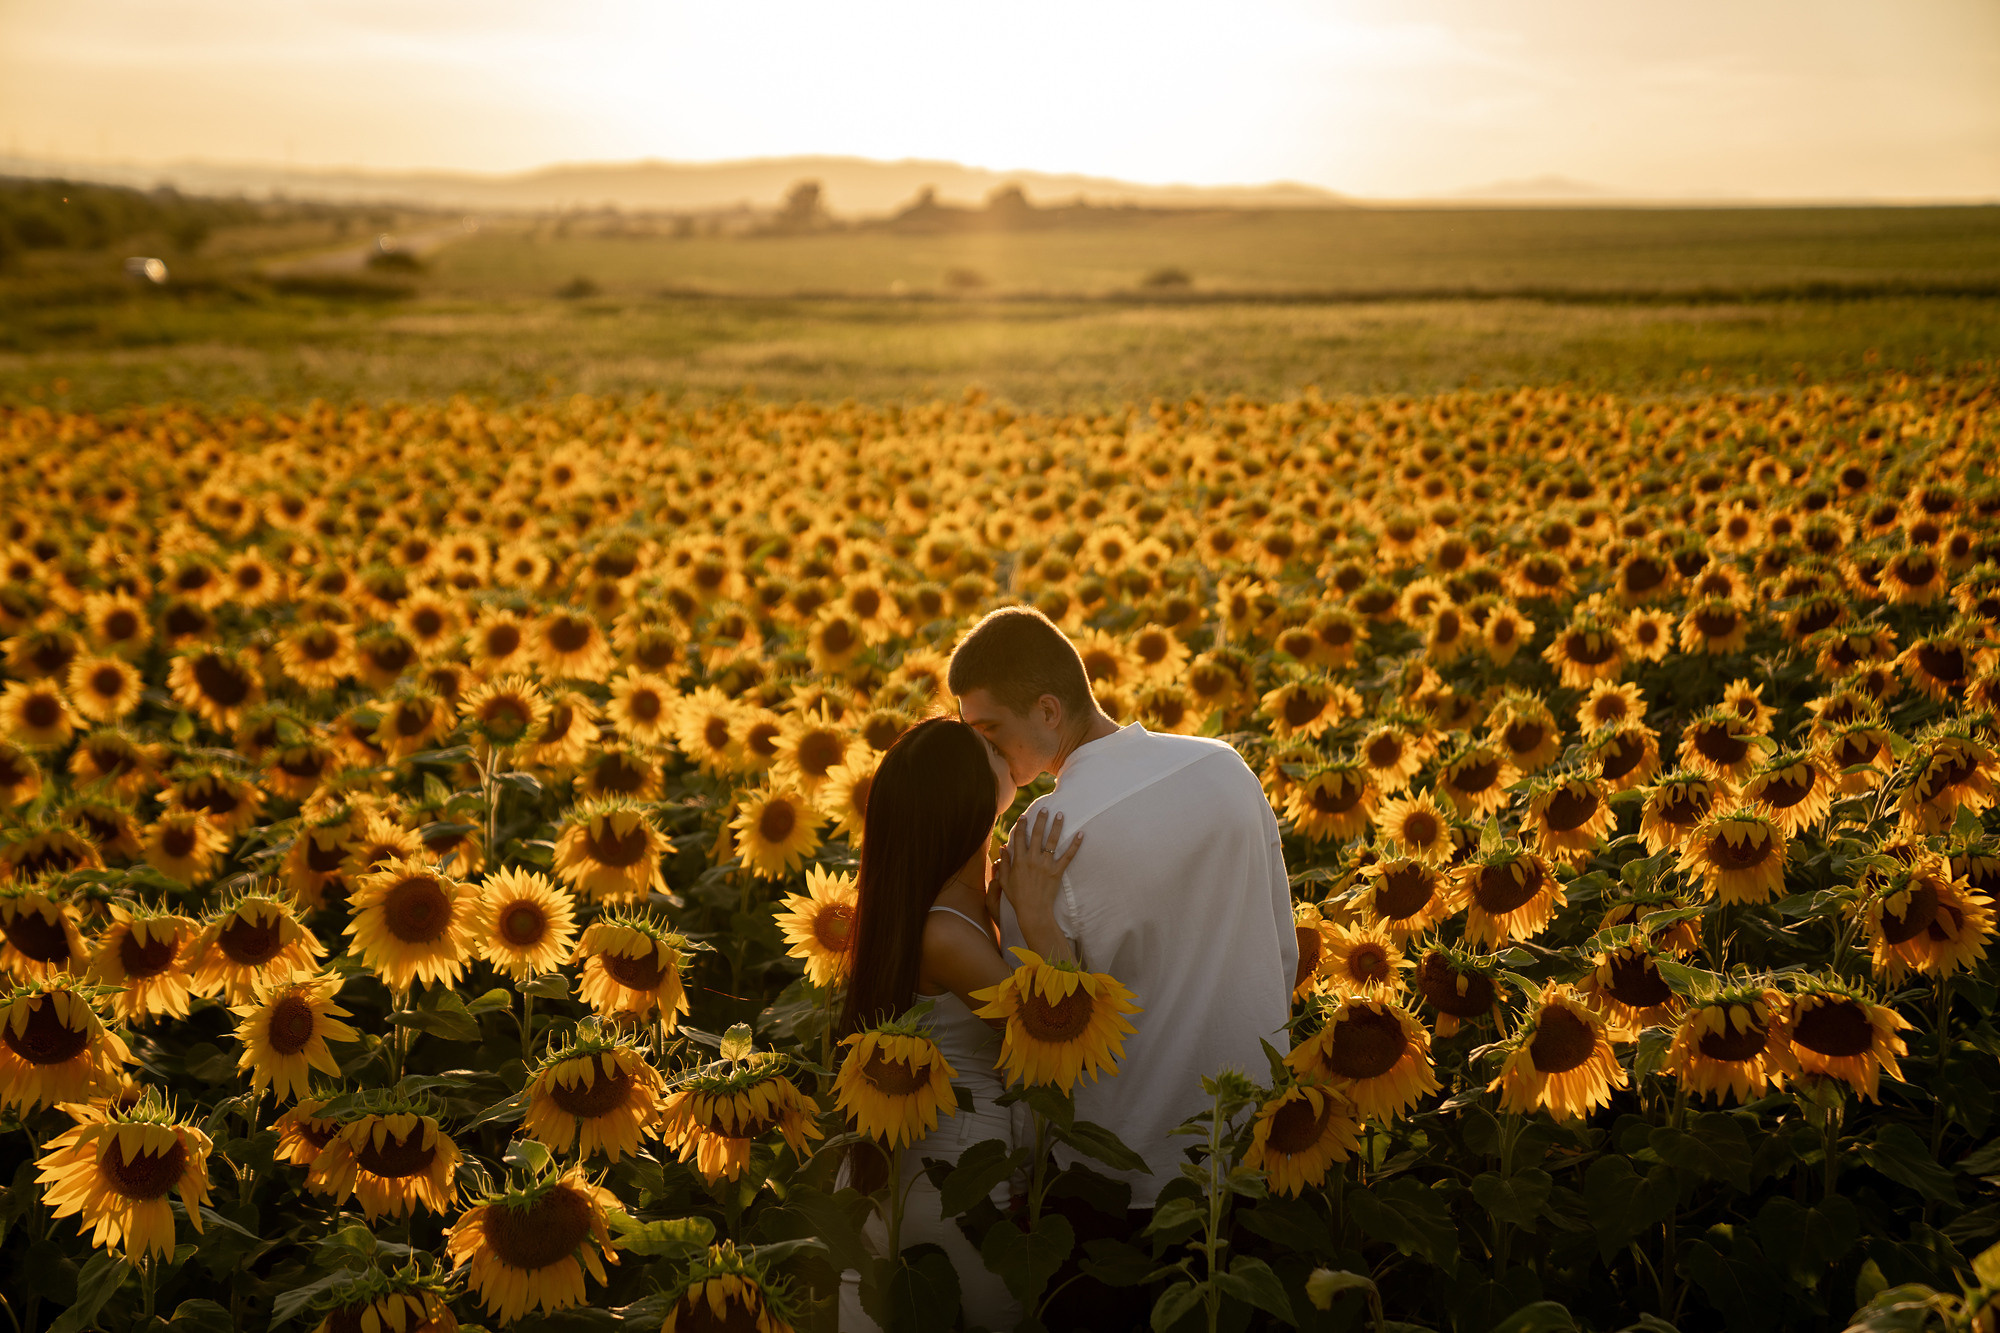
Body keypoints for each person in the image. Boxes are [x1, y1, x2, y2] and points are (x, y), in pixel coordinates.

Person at [950, 604, 1298, 1326]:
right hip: (1259, 1153)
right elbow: (1284, 947)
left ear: (1048, 710)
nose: (981, 753)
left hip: (1123, 1184)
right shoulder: (1224, 766)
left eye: (989, 732)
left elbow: (1046, 1054)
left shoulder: (1043, 844)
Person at [835, 715, 1079, 1333]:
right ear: (967, 796)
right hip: (954, 1188)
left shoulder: (954, 905)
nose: (1005, 751)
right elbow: (1057, 1033)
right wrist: (1040, 919)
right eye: (991, 751)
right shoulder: (944, 933)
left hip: (937, 1178)